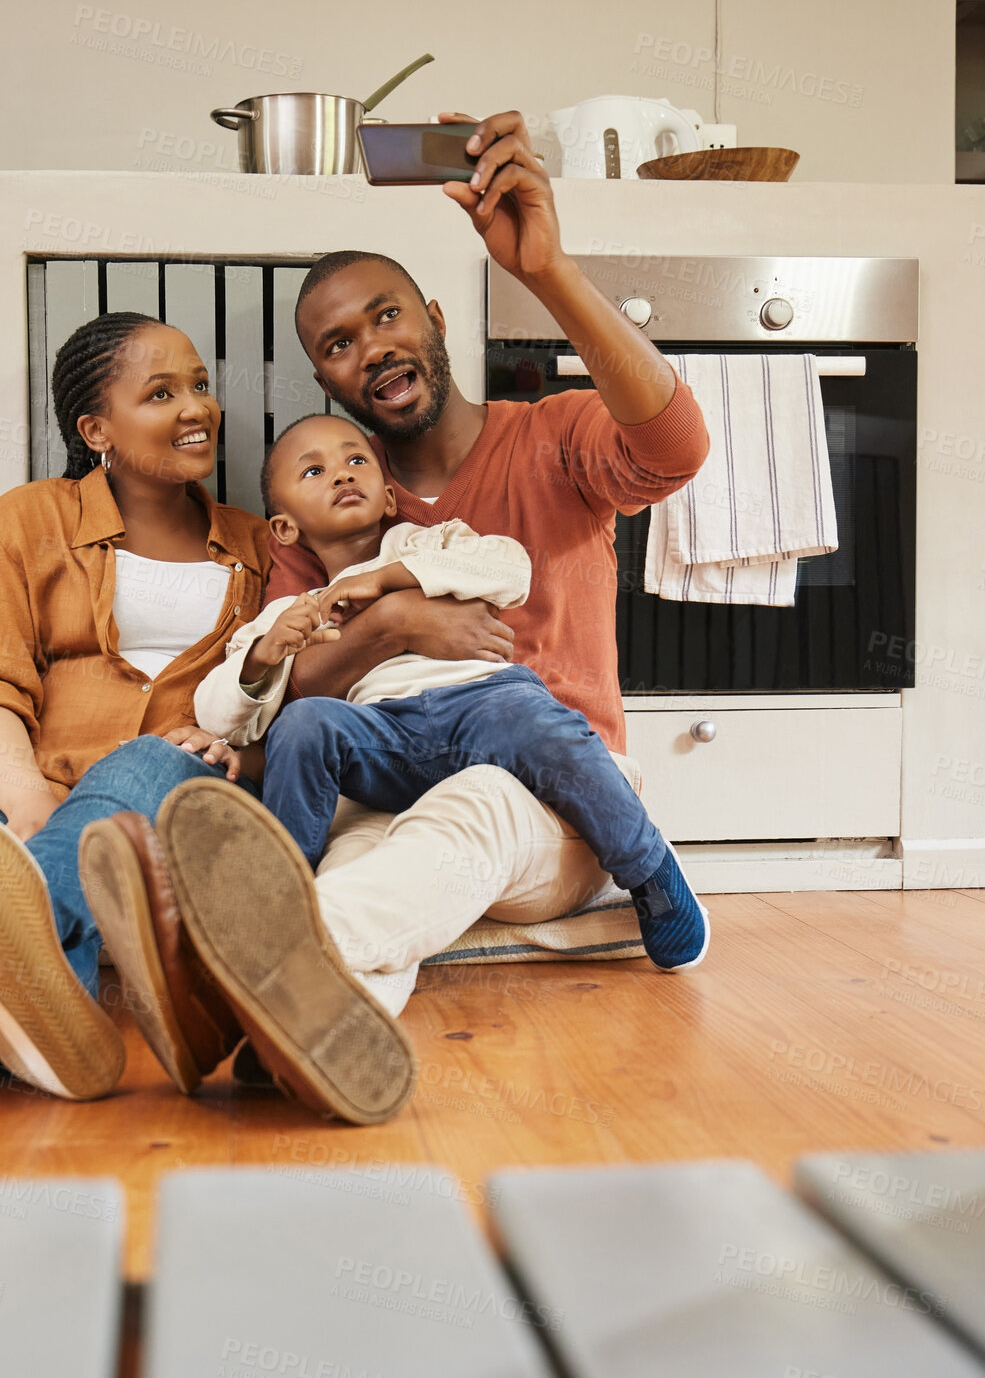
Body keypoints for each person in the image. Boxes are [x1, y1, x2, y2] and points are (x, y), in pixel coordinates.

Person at [84, 109, 712, 1125]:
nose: (368, 348)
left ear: (430, 314)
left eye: (383, 317)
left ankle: (208, 961)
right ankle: (302, 1043)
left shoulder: (548, 439)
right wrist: (389, 627)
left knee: (474, 810)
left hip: (552, 793)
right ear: (324, 378)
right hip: (386, 790)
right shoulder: (327, 531)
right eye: (337, 344)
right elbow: (293, 698)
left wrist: (544, 271)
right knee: (367, 858)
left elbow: (676, 447)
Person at [0, 310, 280, 1101]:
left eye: (200, 386)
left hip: (168, 789)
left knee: (152, 758)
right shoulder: (29, 519)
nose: (197, 408)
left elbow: (285, 697)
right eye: (160, 392)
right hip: (25, 777)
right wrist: (28, 803)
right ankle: (52, 1032)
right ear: (96, 428)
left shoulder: (259, 546)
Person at [190, 411, 708, 973]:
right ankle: (288, 890)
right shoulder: (287, 614)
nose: (341, 475)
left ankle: (648, 870)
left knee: (541, 725)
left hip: (483, 704)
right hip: (384, 736)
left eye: (355, 460)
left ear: (390, 499)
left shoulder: (432, 541)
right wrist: (266, 653)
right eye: (314, 472)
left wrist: (391, 580)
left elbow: (510, 569)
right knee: (306, 723)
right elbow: (218, 717)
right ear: (285, 529)